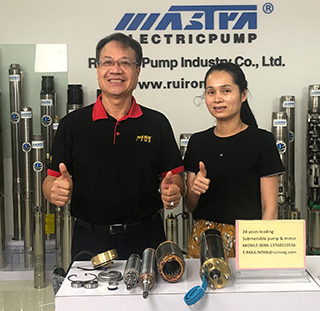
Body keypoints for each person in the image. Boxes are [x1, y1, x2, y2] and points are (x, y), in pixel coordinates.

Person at [43, 33, 185, 261]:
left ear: (137, 70)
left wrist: (174, 190)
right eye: (108, 62)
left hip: (146, 238)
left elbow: (175, 177)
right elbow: (50, 181)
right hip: (90, 239)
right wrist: (54, 191)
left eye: (125, 63)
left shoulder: (156, 123)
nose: (116, 70)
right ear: (98, 69)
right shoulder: (72, 125)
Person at [183, 62, 284, 258]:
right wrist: (194, 190)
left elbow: (270, 208)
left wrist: (263, 252)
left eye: (226, 91)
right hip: (203, 241)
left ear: (243, 95)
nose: (217, 98)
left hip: (247, 240)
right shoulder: (197, 142)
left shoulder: (262, 141)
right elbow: (190, 206)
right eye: (211, 92)